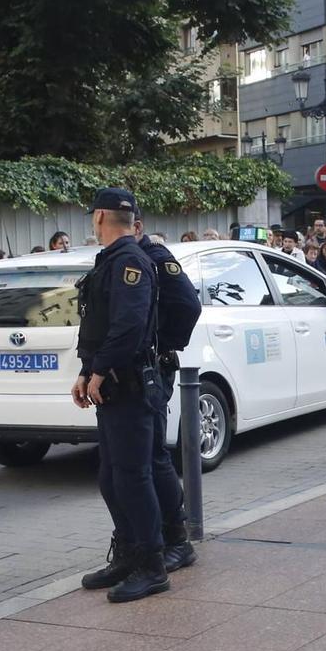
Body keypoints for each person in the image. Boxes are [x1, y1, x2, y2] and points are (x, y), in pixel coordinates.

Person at [74, 188, 170, 603]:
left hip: (127, 381)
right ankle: (130, 553)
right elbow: (102, 324)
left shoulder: (129, 261)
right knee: (113, 475)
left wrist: (99, 368)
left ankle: (152, 563)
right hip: (111, 381)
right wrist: (86, 369)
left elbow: (129, 325)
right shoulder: (113, 260)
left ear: (99, 217)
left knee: (133, 476)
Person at [138, 222, 204, 573]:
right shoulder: (123, 257)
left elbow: (187, 305)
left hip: (152, 368)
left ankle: (177, 539)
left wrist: (163, 345)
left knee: (155, 456)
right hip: (129, 372)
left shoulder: (155, 257)